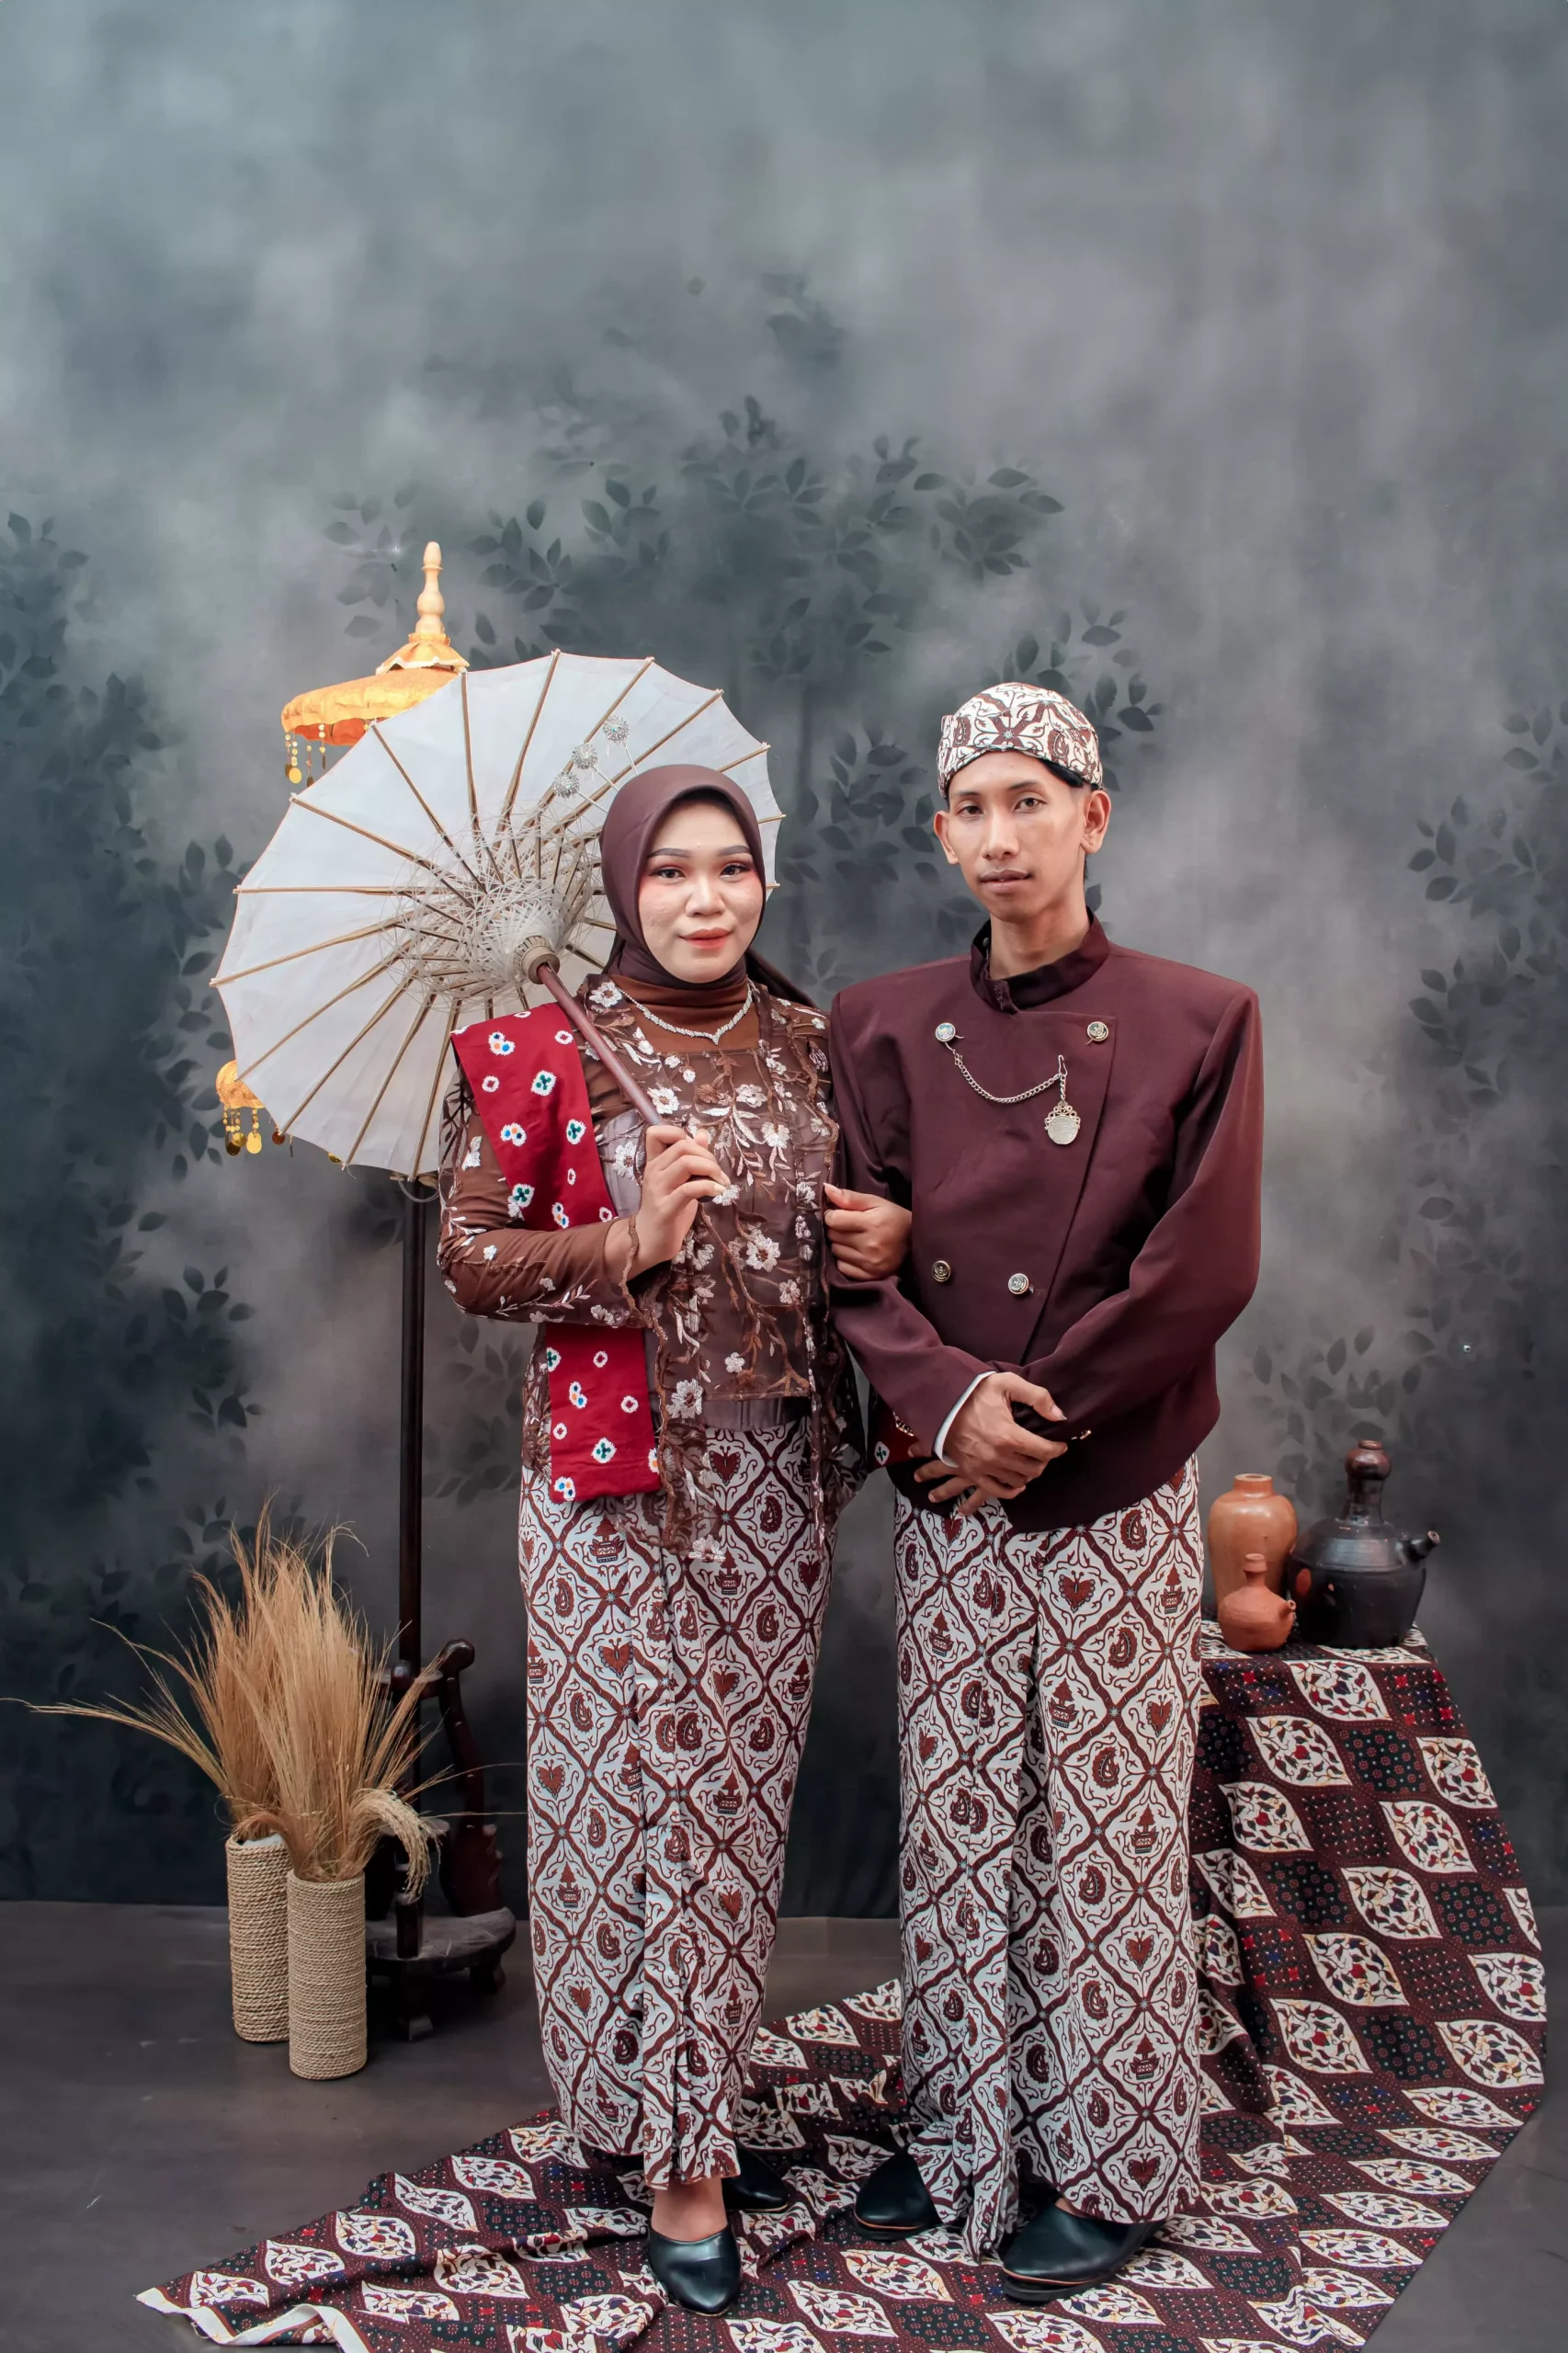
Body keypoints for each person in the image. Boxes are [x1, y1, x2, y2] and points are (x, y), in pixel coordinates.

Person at [437, 765, 909, 2314]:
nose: (704, 899)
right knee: (620, 1801)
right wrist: (631, 1240)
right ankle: (663, 2142)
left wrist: (878, 1237)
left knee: (730, 1811)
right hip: (611, 1489)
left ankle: (682, 2103)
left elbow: (859, 1235)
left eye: (730, 869)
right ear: (622, 887)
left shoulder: (810, 1042)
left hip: (775, 1480)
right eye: (670, 872)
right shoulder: (541, 1048)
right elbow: (472, 1259)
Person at [824, 683, 1264, 2297]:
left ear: (1094, 814)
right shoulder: (876, 1023)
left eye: (1030, 799)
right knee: (956, 1821)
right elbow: (850, 1257)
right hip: (953, 1481)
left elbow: (1200, 1270)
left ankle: (1112, 2159)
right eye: (971, 808)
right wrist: (949, 1406)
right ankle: (959, 2130)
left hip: (1114, 1476)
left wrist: (1039, 1416)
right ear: (940, 833)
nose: (999, 835)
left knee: (1103, 1826)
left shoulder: (1200, 1019)